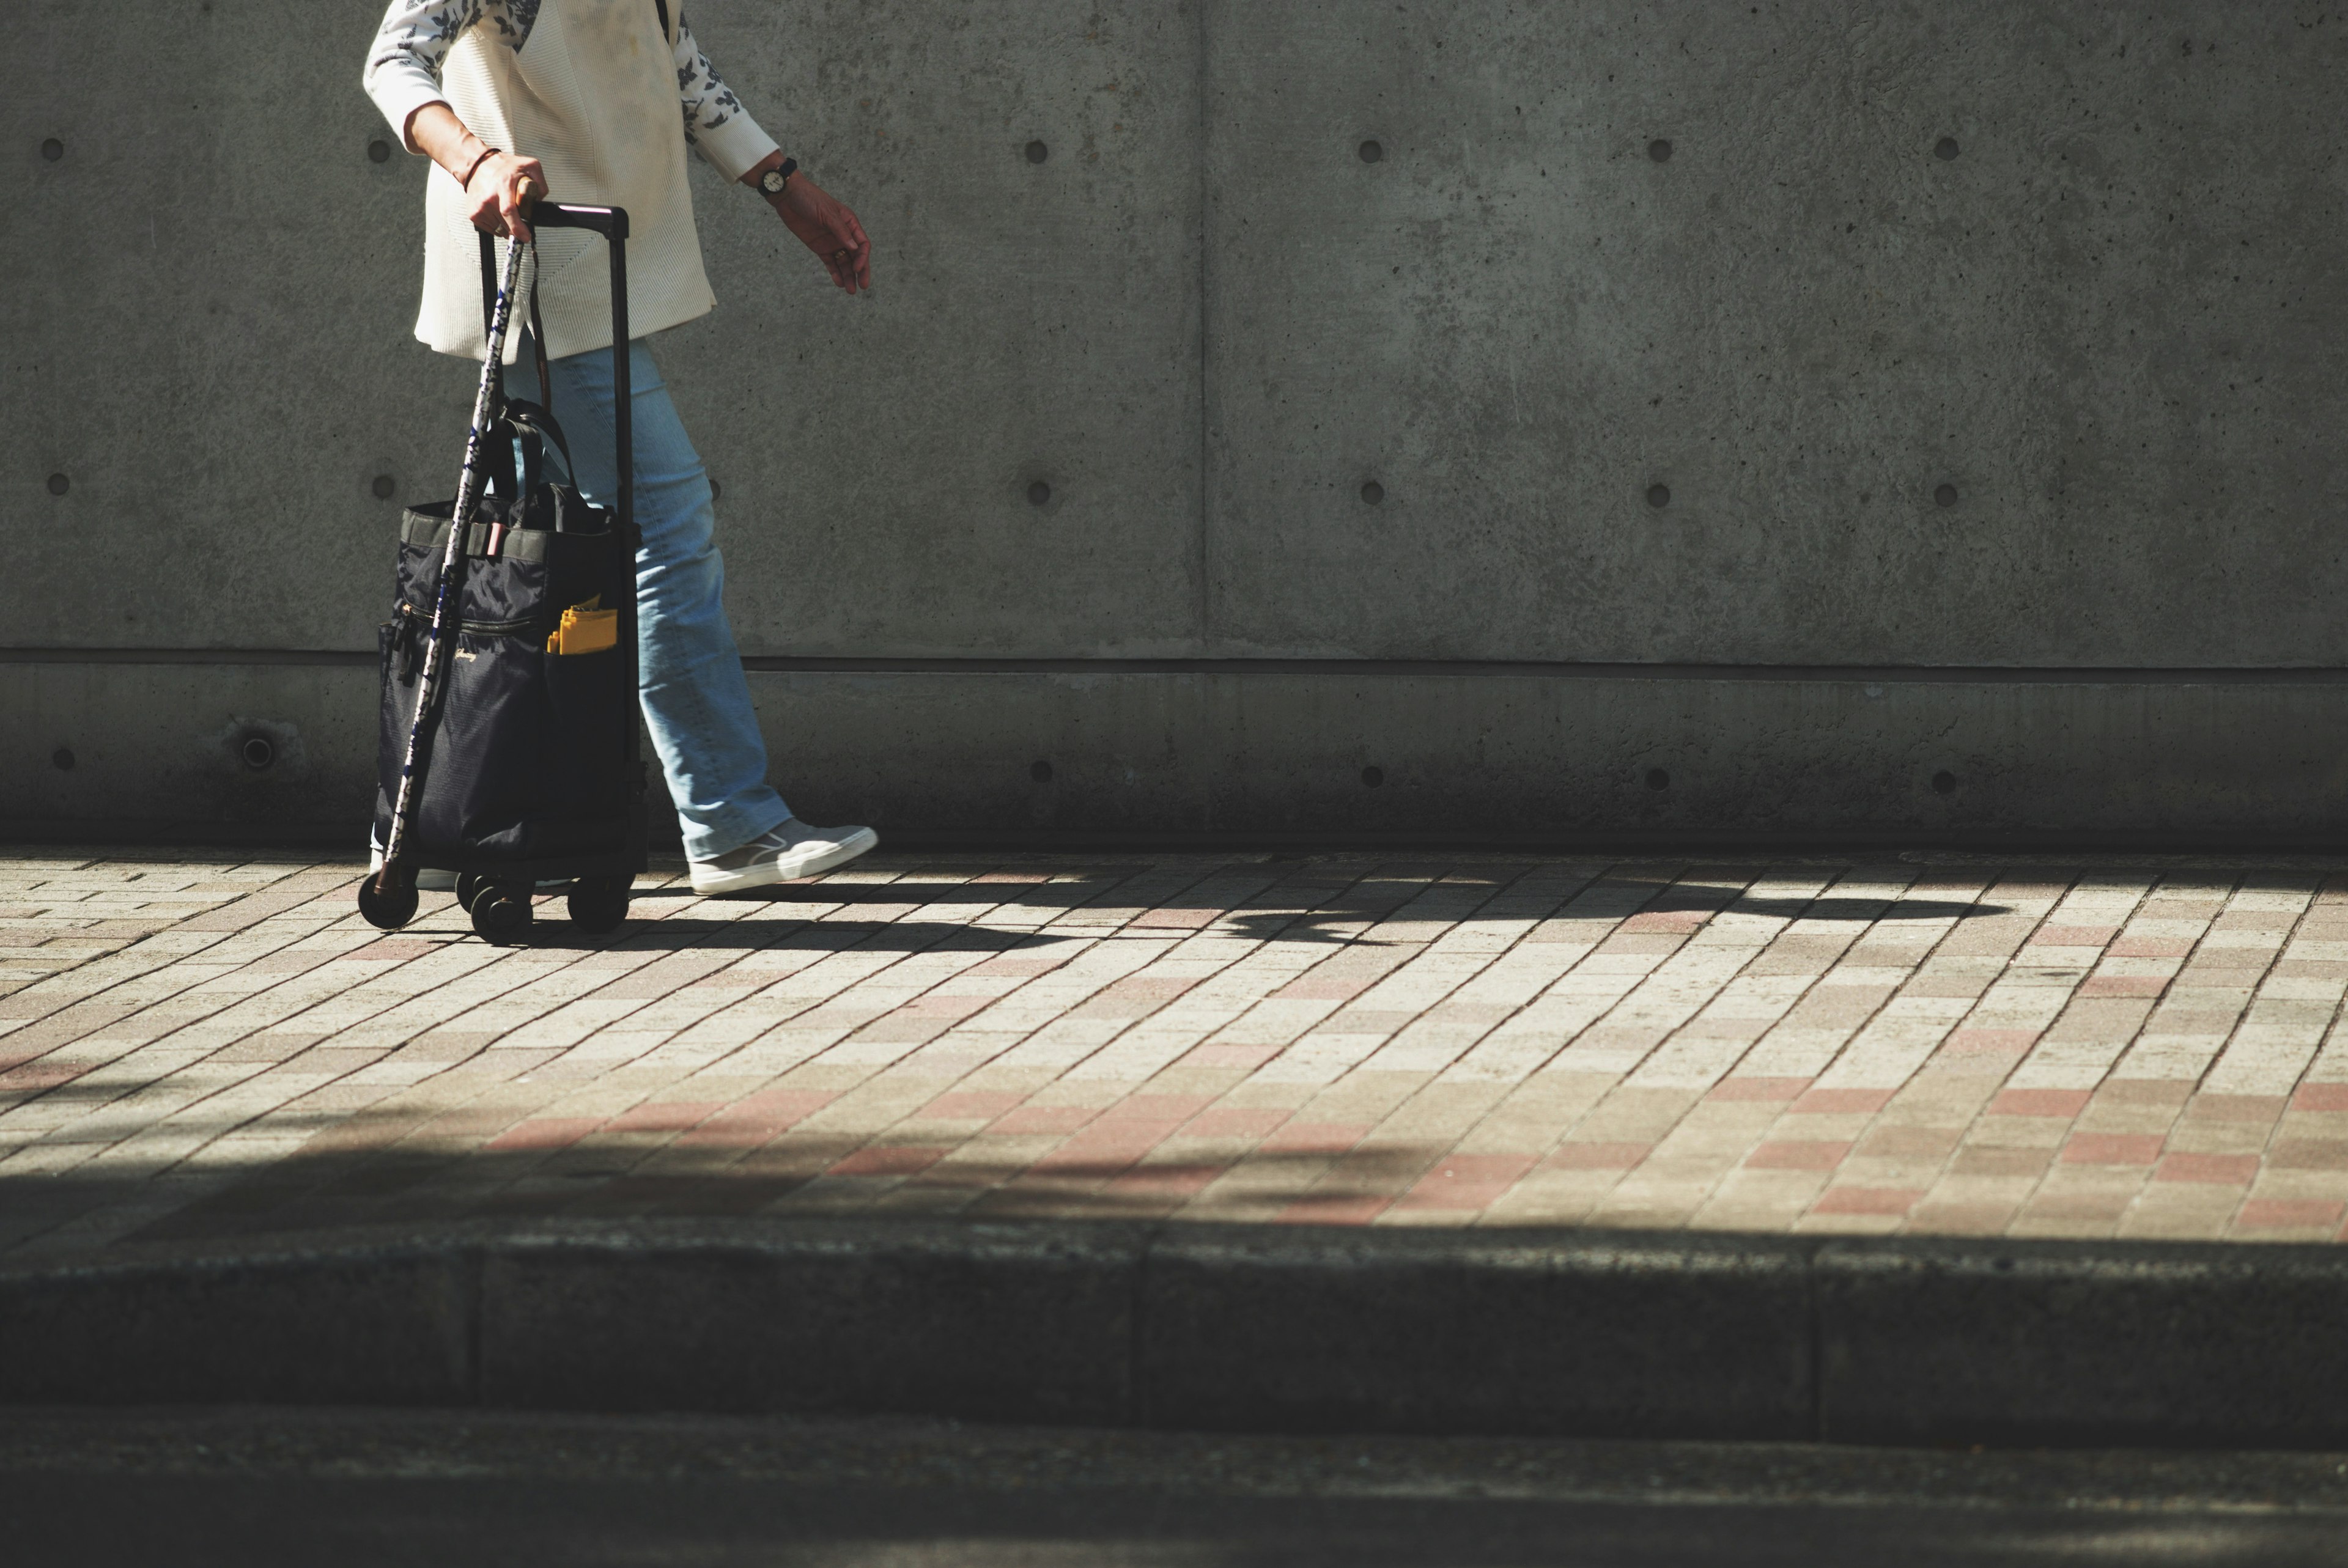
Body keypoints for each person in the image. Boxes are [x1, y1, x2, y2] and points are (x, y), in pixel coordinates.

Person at [362, 0, 876, 893]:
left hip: (587, 258)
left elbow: (675, 63)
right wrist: (474, 159)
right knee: (666, 524)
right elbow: (394, 61)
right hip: (537, 264)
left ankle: (461, 820)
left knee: (529, 566)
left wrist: (788, 186)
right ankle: (730, 821)